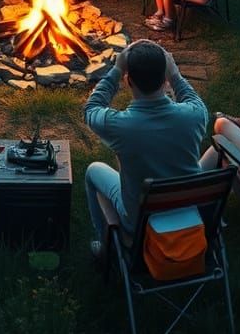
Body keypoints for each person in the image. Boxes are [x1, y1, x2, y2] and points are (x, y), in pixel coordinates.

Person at [83, 40, 208, 258]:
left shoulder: (120, 126)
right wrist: (175, 74)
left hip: (140, 220)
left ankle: (104, 247)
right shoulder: (195, 115)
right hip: (187, 206)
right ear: (165, 79)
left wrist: (116, 70)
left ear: (128, 80)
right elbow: (190, 96)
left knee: (93, 170)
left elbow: (91, 109)